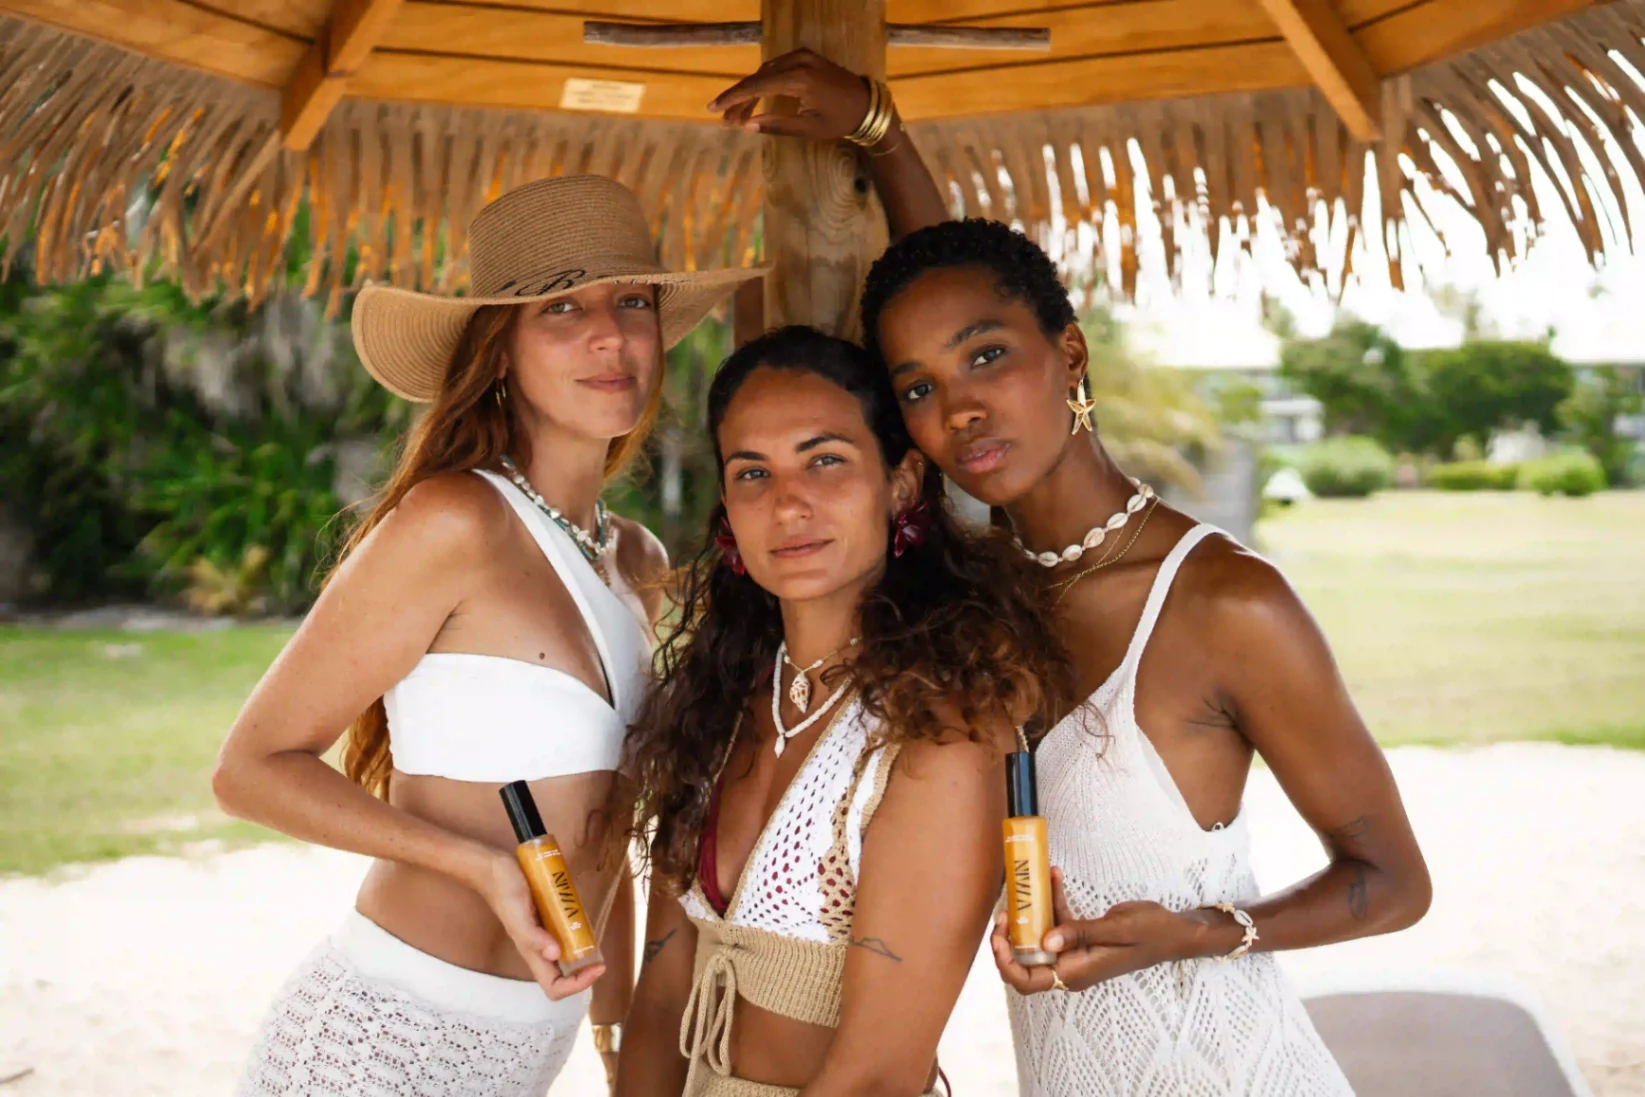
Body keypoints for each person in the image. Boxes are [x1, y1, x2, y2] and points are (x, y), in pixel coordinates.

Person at [212, 174, 763, 1097]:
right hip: (385, 1036)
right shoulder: (455, 520)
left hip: (529, 1048)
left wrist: (614, 1035)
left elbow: (609, 826)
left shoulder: (635, 558)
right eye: (562, 307)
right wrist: (478, 866)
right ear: (499, 350)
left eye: (631, 302)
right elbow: (249, 770)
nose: (608, 334)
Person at [857, 219, 1434, 1095]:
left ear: (1070, 354)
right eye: (917, 387)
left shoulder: (1223, 602)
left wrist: (1195, 930)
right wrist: (886, 148)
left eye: (987, 356)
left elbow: (1394, 883)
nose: (959, 408)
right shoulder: (974, 608)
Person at [611, 326, 1069, 1097]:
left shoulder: (941, 732)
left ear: (900, 484)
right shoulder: (717, 703)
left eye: (824, 460)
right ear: (728, 508)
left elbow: (877, 1073)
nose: (787, 502)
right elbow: (659, 1004)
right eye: (752, 472)